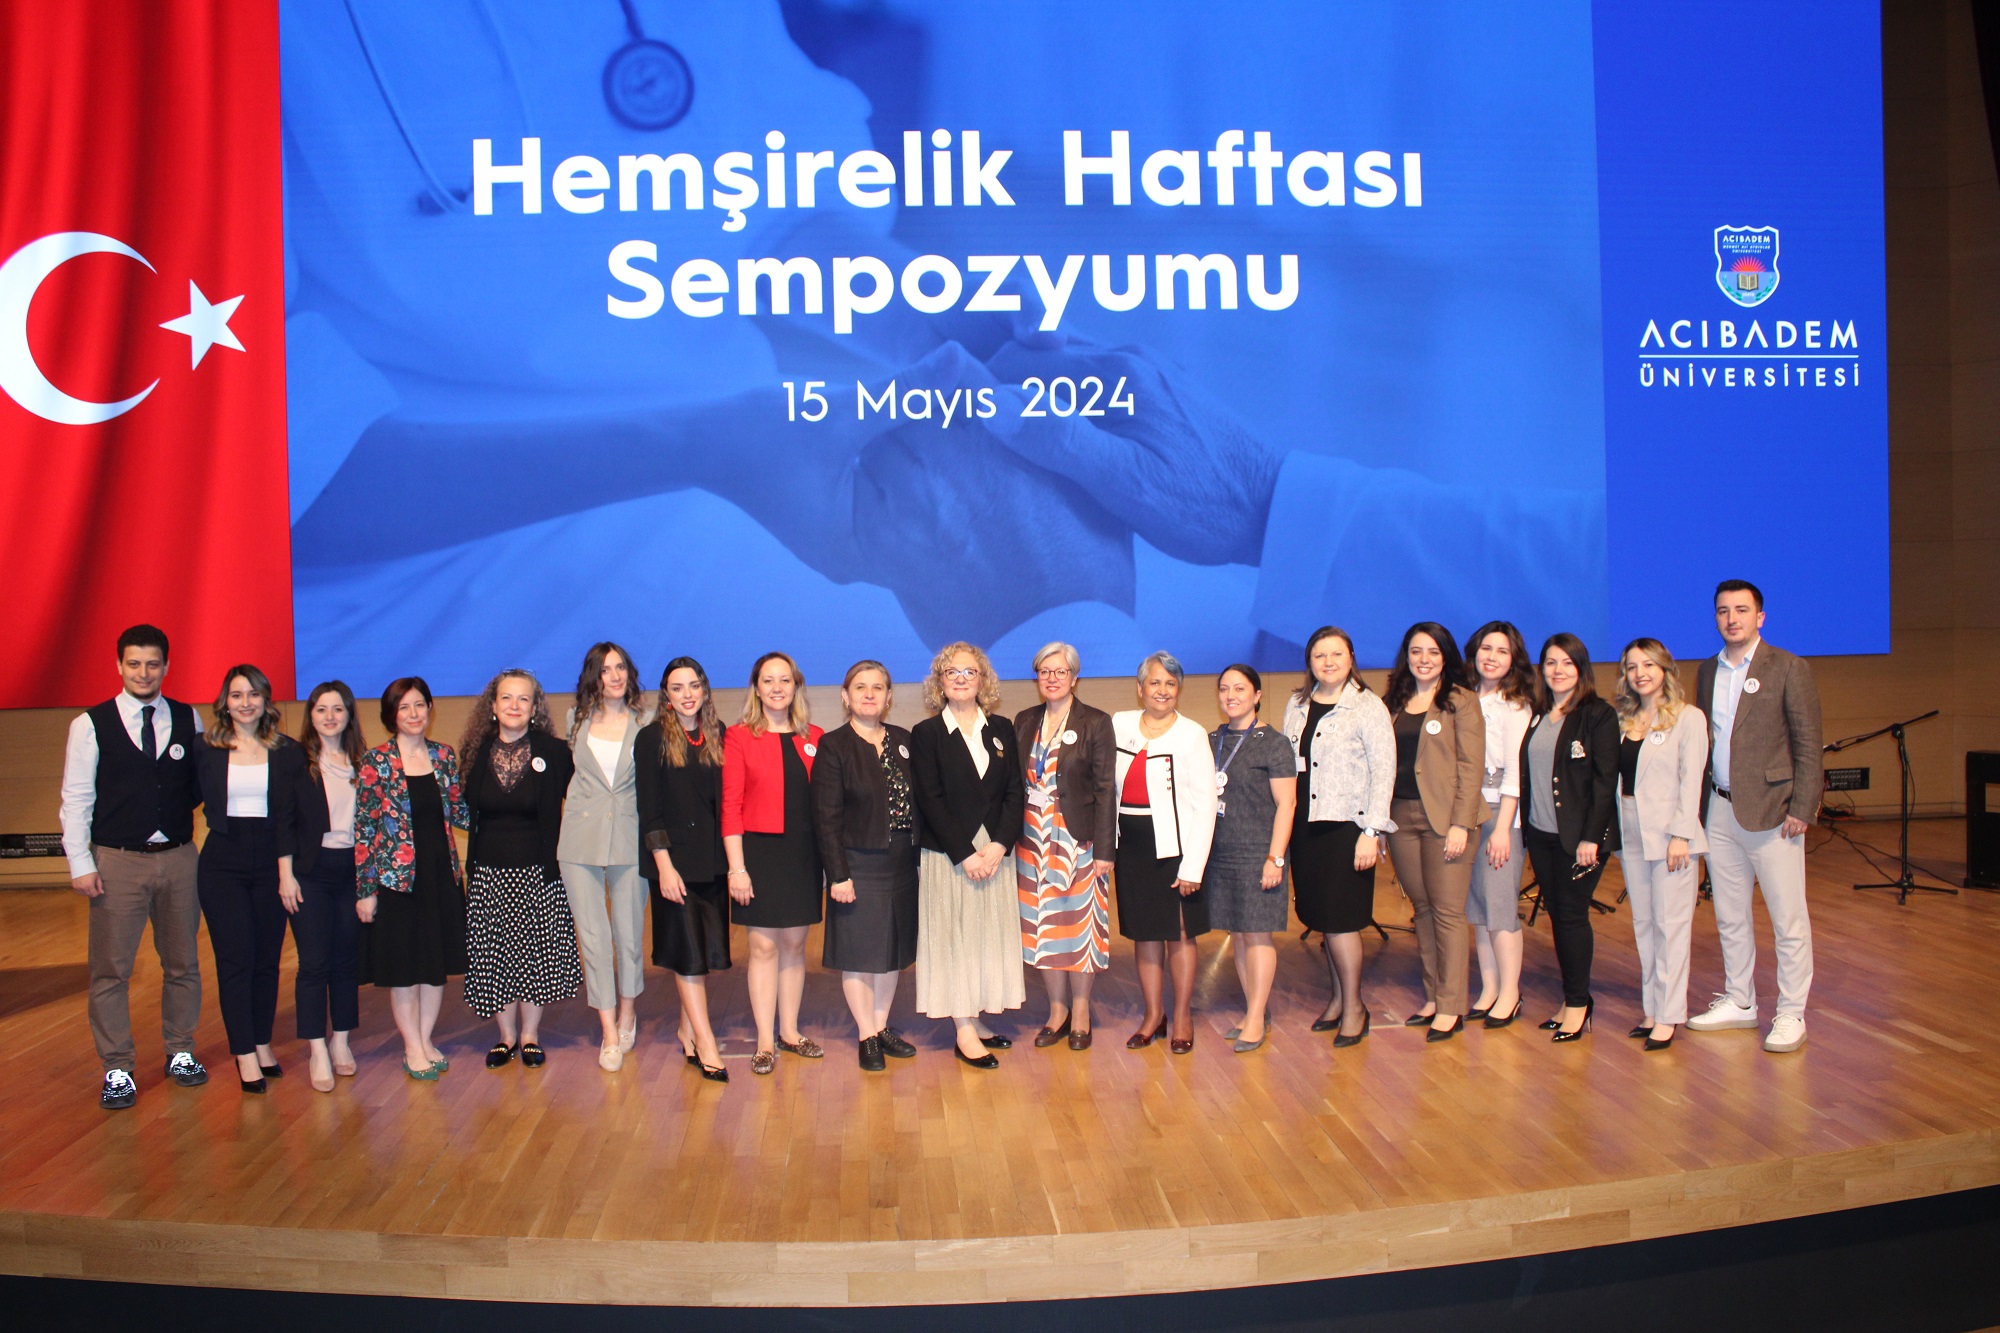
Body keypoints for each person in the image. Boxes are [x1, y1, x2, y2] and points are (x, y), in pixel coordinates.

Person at [59, 624, 209, 1110]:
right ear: (119, 666)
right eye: (134, 664)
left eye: (152, 664)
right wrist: (80, 862)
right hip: (117, 862)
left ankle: (180, 1050)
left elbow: (201, 787)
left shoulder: (188, 718)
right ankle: (117, 1066)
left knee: (183, 964)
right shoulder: (90, 724)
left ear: (166, 667)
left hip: (180, 859)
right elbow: (76, 798)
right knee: (111, 971)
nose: (143, 673)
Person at [1686, 580, 1823, 1054]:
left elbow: (1808, 744)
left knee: (1788, 920)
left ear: (1759, 617)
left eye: (1741, 610)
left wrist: (1803, 807)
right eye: (1723, 610)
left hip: (1774, 813)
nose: (1732, 619)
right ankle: (1740, 1000)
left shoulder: (1787, 667)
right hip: (1719, 811)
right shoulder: (1708, 670)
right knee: (1729, 915)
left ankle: (1791, 1013)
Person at [910, 643, 1027, 1068]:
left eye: (970, 672)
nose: (961, 679)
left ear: (983, 680)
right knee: (953, 937)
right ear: (940, 682)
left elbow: (1014, 791)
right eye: (952, 672)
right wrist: (966, 854)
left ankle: (974, 1014)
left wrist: (999, 845)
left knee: (983, 936)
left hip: (994, 852)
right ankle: (961, 1026)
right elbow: (930, 799)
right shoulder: (926, 734)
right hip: (951, 855)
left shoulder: (1001, 728)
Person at [460, 669, 581, 1070]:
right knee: (496, 955)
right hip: (489, 874)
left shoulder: (556, 752)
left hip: (537, 873)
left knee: (534, 955)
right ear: (493, 706)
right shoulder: (475, 753)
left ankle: (529, 1036)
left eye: (523, 699)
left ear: (535, 707)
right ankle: (506, 1036)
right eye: (506, 698)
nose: (514, 706)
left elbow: (583, 800)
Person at [1281, 626, 1394, 1048]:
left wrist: (1371, 832)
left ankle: (1355, 1008)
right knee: (1323, 920)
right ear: (1309, 662)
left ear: (1351, 658)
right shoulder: (1297, 703)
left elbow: (1384, 773)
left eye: (1336, 654)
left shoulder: (1368, 706)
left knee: (1342, 922)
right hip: (1306, 827)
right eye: (1319, 656)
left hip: (1348, 829)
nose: (1328, 662)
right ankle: (1337, 999)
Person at [355, 677, 470, 1080]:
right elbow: (364, 828)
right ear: (391, 714)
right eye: (404, 707)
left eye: (420, 704)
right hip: (396, 882)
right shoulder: (376, 761)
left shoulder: (444, 755)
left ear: (430, 708)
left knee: (435, 965)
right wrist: (366, 890)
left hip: (440, 875)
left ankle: (424, 1038)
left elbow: (460, 811)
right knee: (405, 968)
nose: (414, 713)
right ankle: (411, 1046)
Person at [197, 664, 303, 1093]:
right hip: (222, 864)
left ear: (266, 701)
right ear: (225, 701)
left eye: (254, 694)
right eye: (237, 695)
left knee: (267, 960)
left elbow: (289, 818)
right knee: (236, 959)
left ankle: (261, 1042)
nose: (245, 703)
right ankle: (243, 1051)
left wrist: (286, 873)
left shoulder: (288, 751)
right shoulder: (205, 748)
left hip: (270, 863)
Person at [812, 661, 923, 1070]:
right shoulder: (834, 746)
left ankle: (880, 1026)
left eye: (878, 687)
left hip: (901, 864)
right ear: (846, 696)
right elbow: (826, 818)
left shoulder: (904, 740)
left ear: (889, 696)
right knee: (859, 953)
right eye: (861, 687)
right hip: (857, 865)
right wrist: (838, 874)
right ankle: (865, 1035)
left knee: (891, 950)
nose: (870, 694)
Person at [1381, 623, 1489, 1042]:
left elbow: (1471, 766)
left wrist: (1462, 823)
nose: (1423, 659)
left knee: (1447, 912)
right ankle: (1432, 996)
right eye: (1415, 651)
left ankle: (1451, 1005)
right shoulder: (1395, 700)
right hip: (1401, 818)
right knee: (1423, 909)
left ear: (1446, 656)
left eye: (1432, 651)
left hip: (1447, 820)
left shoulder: (1461, 700)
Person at [723, 651, 827, 1076]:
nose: (777, 688)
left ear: (796, 686)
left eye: (785, 680)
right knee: (763, 947)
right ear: (757, 688)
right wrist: (737, 869)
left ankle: (790, 1031)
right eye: (768, 680)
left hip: (803, 854)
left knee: (795, 945)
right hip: (759, 854)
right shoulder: (738, 737)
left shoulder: (815, 737)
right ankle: (765, 1040)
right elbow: (731, 807)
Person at [1112, 652, 1219, 1055]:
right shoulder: (1119, 724)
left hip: (1176, 849)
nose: (1162, 690)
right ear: (1140, 688)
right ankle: (1153, 1015)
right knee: (1145, 933)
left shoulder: (1192, 734)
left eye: (1170, 684)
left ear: (1179, 690)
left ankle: (1183, 1015)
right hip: (1131, 847)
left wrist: (1194, 866)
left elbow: (1206, 804)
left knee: (1180, 934)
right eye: (1154, 682)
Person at [1013, 641, 1116, 1051]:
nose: (1052, 679)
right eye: (1044, 671)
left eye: (1060, 671)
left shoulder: (1096, 722)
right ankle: (1057, 1010)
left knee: (1078, 927)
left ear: (1074, 677)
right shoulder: (1024, 720)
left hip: (1078, 840)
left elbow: (1106, 789)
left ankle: (1082, 1010)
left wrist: (1105, 850)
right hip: (1031, 840)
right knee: (1043, 928)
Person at [1517, 633, 1620, 1042]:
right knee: (1558, 917)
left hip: (1580, 841)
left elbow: (1605, 782)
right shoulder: (1538, 714)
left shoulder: (1598, 714)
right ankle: (1571, 999)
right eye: (1551, 662)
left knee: (1572, 916)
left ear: (1581, 668)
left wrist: (1591, 838)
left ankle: (1579, 1004)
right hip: (1542, 835)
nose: (1558, 670)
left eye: (1567, 662)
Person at [636, 657, 731, 1082]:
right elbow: (649, 810)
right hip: (672, 864)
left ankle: (686, 1030)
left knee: (703, 955)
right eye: (677, 688)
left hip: (711, 862)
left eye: (694, 685)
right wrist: (664, 867)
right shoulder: (651, 737)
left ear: (705, 690)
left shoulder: (718, 732)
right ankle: (706, 1042)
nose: (687, 694)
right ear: (666, 696)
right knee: (688, 956)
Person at [1613, 639, 1709, 1052]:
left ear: (1666, 669)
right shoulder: (1624, 719)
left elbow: (1692, 780)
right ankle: (1652, 1009)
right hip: (1631, 829)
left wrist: (1681, 835)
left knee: (1671, 928)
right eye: (1632, 667)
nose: (1641, 674)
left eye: (1649, 665)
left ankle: (1669, 1015)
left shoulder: (1688, 718)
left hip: (1672, 836)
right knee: (1644, 925)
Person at [559, 642, 648, 1073]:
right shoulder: (574, 721)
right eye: (606, 669)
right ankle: (609, 1030)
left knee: (628, 935)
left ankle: (628, 1014)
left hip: (630, 837)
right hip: (579, 842)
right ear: (593, 676)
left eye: (620, 668)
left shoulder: (647, 722)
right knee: (593, 938)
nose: (614, 676)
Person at [1202, 665, 1297, 1053]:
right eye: (1224, 689)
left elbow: (1287, 804)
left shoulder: (1274, 743)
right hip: (1221, 852)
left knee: (1257, 933)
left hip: (1259, 851)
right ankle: (1253, 1008)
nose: (1231, 696)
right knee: (1238, 933)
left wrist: (1275, 858)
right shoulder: (1211, 740)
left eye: (1240, 689)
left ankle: (1257, 1017)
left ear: (1257, 695)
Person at [277, 680, 366, 1092]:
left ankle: (341, 1041)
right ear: (310, 716)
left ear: (349, 715)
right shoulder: (296, 761)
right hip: (310, 872)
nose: (330, 717)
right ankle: (316, 1048)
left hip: (352, 871)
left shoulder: (363, 762)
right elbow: (283, 821)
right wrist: (286, 874)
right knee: (314, 962)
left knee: (346, 960)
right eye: (321, 709)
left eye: (338, 709)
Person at [1464, 621, 1536, 1026]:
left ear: (1514, 660)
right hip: (1469, 814)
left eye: (1502, 651)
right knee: (1478, 906)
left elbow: (1515, 772)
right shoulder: (1466, 698)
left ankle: (1511, 992)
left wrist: (1505, 828)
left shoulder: (1515, 705)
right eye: (1486, 648)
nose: (1492, 657)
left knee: (1500, 906)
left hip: (1501, 816)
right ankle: (1489, 988)